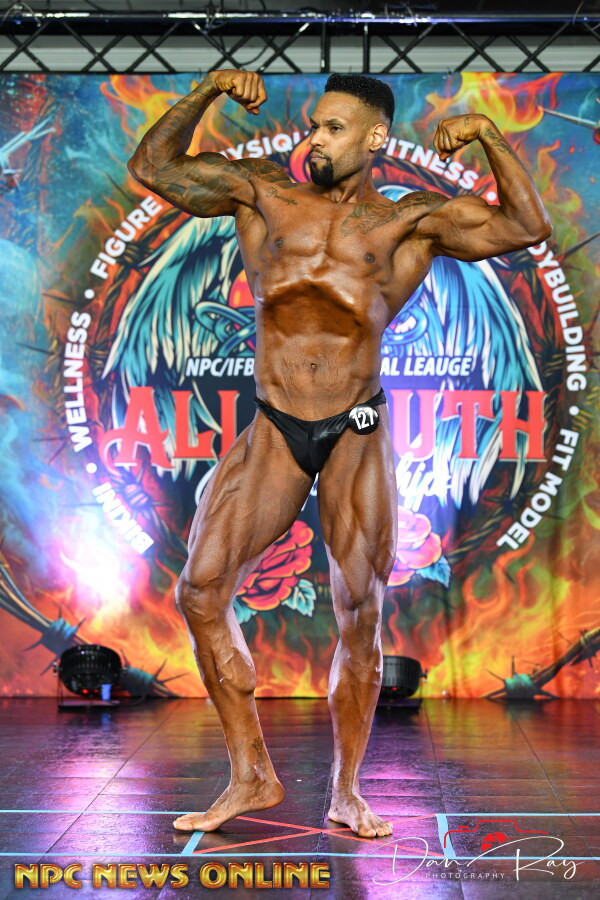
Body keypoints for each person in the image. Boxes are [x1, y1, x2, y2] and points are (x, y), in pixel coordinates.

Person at [127, 70, 551, 838]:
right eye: (313, 125)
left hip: (356, 429)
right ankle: (250, 774)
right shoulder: (263, 195)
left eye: (331, 128)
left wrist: (490, 135)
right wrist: (209, 90)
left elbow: (525, 227)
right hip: (275, 425)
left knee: (360, 615)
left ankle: (347, 793)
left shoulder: (410, 222)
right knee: (201, 589)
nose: (312, 139)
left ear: (374, 137)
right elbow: (154, 167)